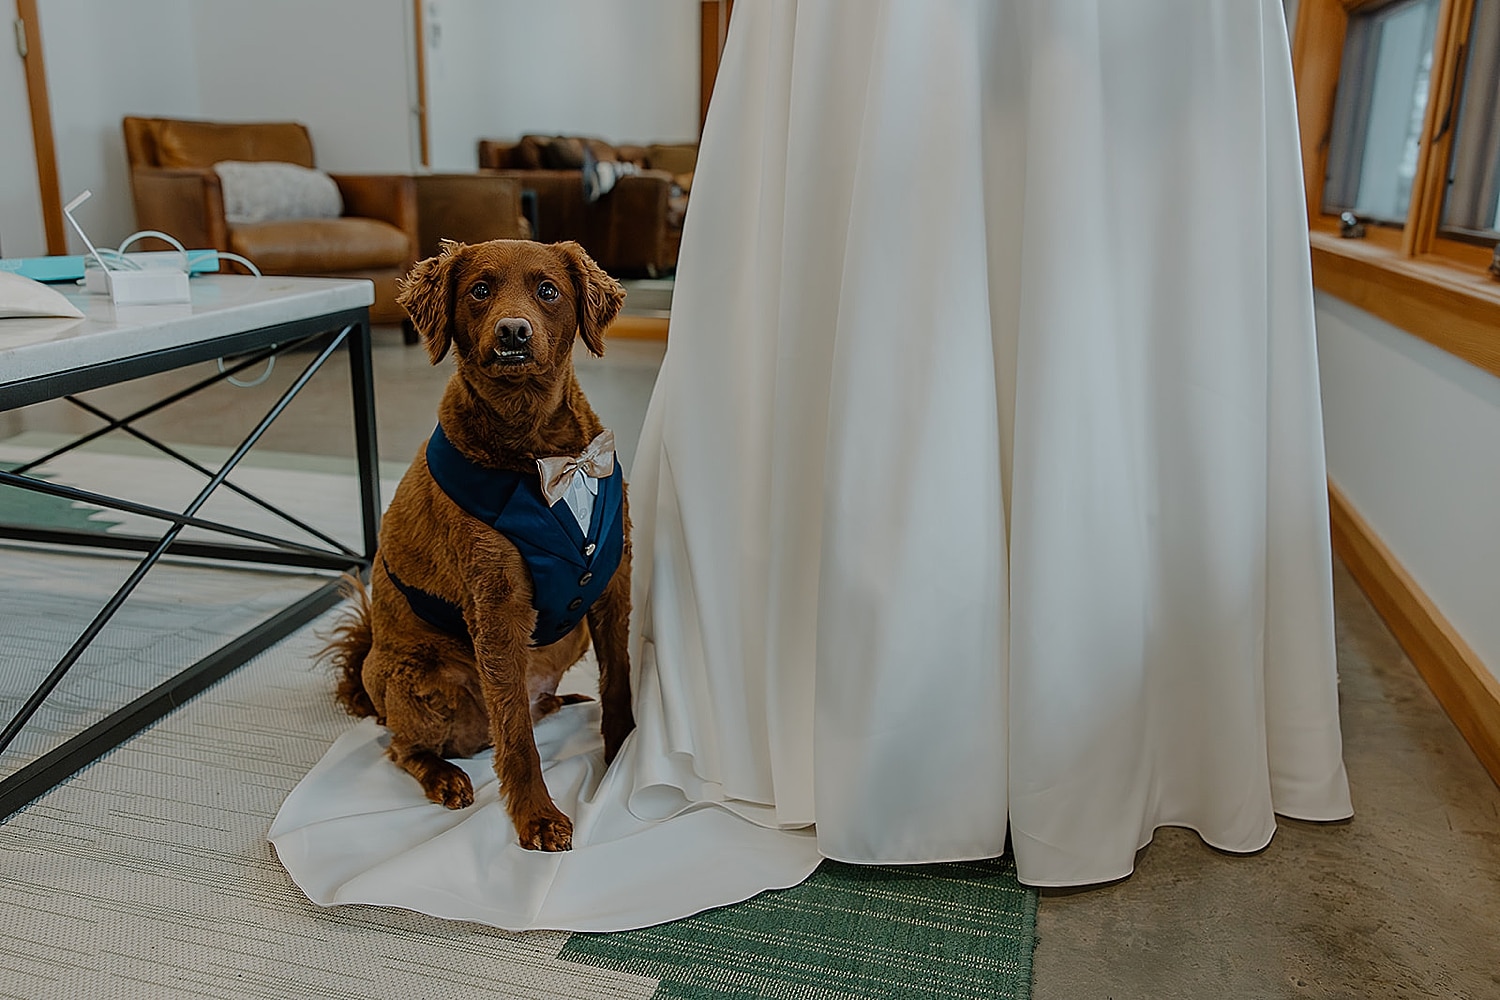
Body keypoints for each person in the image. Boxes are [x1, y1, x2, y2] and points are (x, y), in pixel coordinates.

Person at [273, 0, 1352, 928]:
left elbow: (611, 586)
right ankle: (437, 752)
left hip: (551, 605)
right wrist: (515, 784)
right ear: (443, 318)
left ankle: (605, 722)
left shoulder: (595, 449)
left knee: (592, 587)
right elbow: (490, 621)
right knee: (452, 674)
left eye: (543, 297)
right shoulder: (459, 480)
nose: (512, 322)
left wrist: (618, 720)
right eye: (480, 300)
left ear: (583, 310)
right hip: (447, 668)